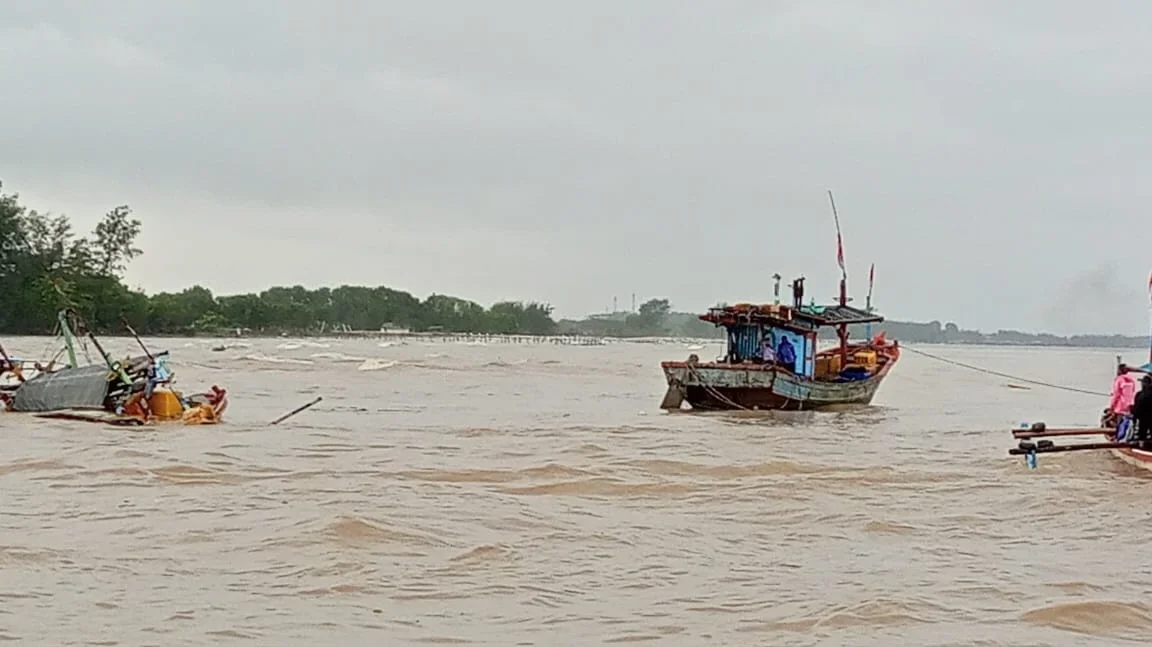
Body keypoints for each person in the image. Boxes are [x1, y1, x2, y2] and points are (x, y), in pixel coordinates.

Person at [1130, 374, 1152, 446]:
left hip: (1142, 418)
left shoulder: (1139, 394)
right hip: (1147, 417)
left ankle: (1141, 446)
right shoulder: (1139, 394)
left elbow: (1137, 408)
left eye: (1143, 382)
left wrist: (1134, 417)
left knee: (1142, 433)